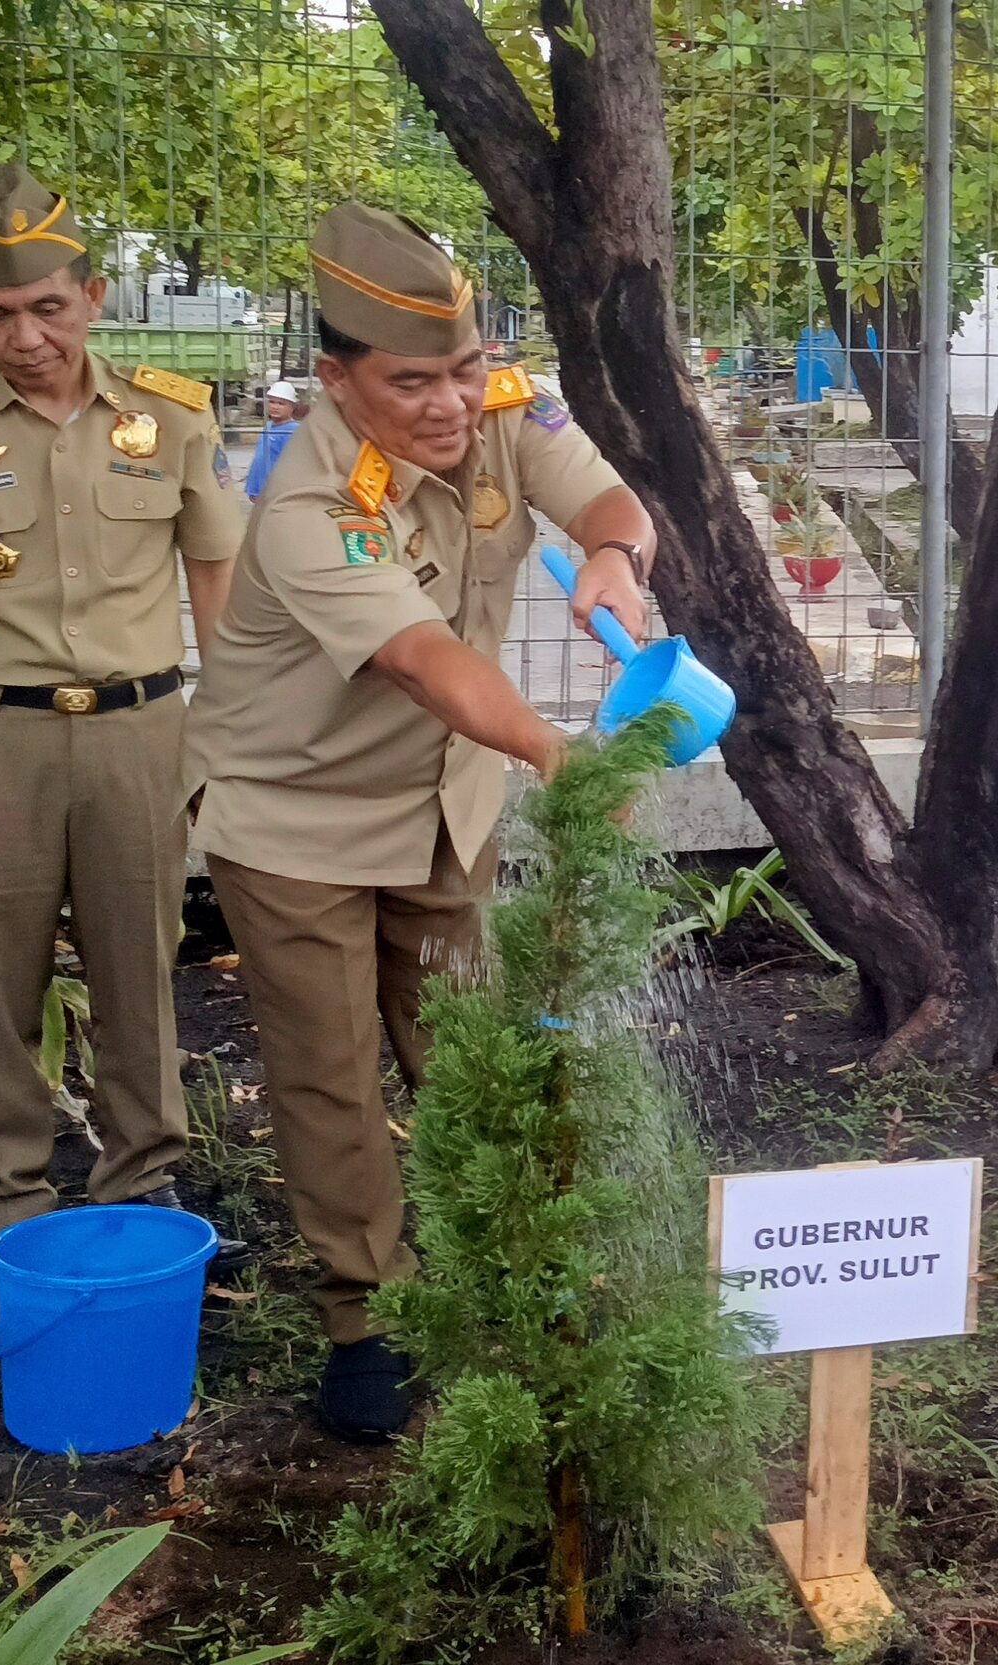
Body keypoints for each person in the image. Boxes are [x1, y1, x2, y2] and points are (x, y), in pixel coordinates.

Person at [186, 202, 654, 1442]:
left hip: (443, 802)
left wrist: (616, 557)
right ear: (336, 378)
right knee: (331, 1075)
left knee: (462, 1049)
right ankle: (367, 1317)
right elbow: (424, 660)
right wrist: (560, 752)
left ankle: (493, 1271)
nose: (450, 405)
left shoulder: (504, 405)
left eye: (462, 369)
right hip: (294, 819)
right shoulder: (303, 500)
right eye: (411, 382)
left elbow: (606, 497)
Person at [0, 163, 246, 1323]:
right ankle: (3, 1216)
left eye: (50, 308)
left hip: (139, 733)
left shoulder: (169, 415)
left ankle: (146, 1191)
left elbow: (214, 585)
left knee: (140, 980)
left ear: (93, 292)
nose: (26, 336)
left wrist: (219, 740)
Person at [243, 379, 302, 501]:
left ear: (292, 407)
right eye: (272, 402)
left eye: (281, 403)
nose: (275, 407)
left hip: (275, 491)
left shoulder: (292, 431)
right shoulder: (269, 426)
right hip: (259, 487)